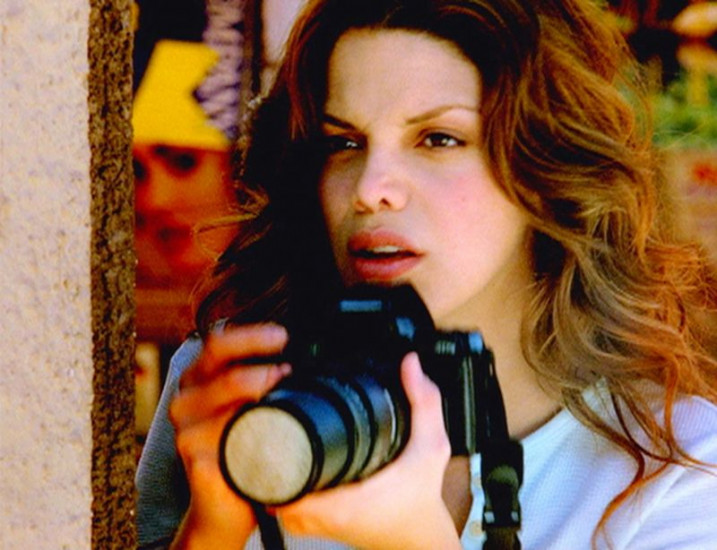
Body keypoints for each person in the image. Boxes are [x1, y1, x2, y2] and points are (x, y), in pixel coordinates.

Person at [135, 0, 717, 548]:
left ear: (543, 167)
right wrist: (212, 527)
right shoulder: (236, 388)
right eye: (344, 142)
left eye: (438, 139)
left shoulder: (677, 463)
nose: (370, 189)